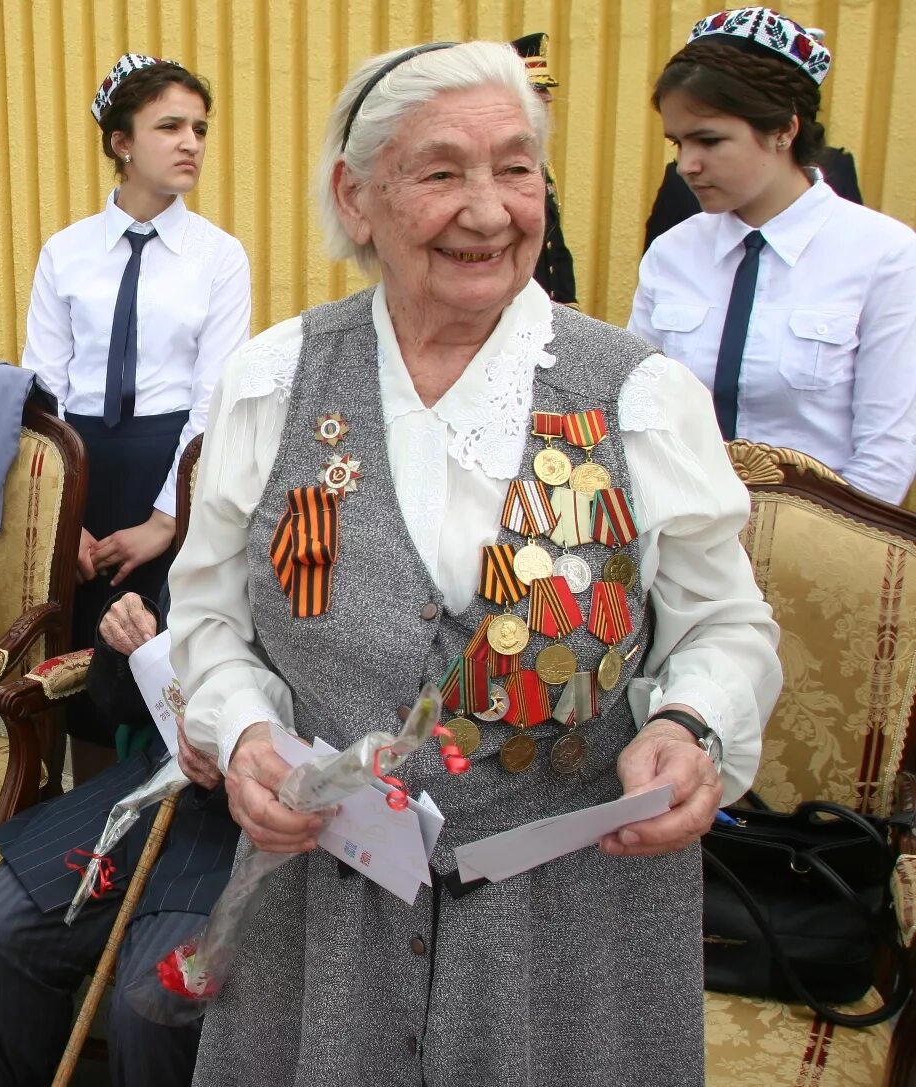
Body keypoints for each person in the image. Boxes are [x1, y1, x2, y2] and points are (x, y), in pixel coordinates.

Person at [168, 40, 782, 1085]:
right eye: (443, 171)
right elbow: (211, 621)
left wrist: (688, 727)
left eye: (516, 167)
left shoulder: (638, 393)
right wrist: (246, 733)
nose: (491, 209)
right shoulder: (273, 383)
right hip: (330, 897)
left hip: (571, 919)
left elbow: (726, 626)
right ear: (356, 198)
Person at [22, 55, 250, 756]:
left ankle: (160, 821)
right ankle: (79, 832)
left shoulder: (219, 257)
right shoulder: (65, 253)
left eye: (200, 128)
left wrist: (164, 521)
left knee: (155, 664)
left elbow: (216, 398)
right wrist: (69, 523)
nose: (191, 143)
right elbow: (42, 391)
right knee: (77, 673)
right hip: (80, 473)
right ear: (122, 141)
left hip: (172, 470)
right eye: (170, 126)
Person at [629, 7, 916, 505]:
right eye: (678, 143)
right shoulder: (672, 253)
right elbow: (636, 409)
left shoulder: (885, 256)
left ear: (783, 129)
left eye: (710, 140)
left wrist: (818, 559)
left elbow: (887, 449)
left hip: (818, 550)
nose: (686, 165)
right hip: (678, 540)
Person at [0, 590, 240, 1087]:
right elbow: (126, 700)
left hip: (247, 831)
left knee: (150, 1003)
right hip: (151, 783)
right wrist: (125, 638)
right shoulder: (230, 523)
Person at [510, 33, 577, 306]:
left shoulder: (540, 163)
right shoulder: (506, 168)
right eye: (536, 91)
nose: (548, 98)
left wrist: (565, 299)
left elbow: (552, 241)